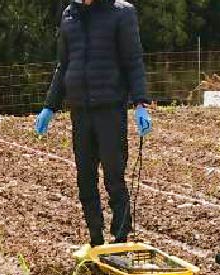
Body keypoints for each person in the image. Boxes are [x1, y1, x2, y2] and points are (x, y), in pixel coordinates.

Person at [33, 0, 151, 247]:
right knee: (85, 178)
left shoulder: (121, 13)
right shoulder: (69, 15)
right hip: (80, 111)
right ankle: (95, 237)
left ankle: (120, 238)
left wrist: (140, 103)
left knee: (113, 176)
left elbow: (133, 61)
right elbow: (63, 66)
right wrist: (49, 106)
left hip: (110, 108)